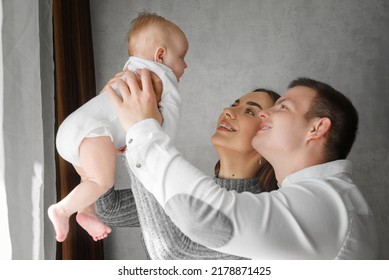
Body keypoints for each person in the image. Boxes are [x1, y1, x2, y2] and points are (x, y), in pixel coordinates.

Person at [107, 70, 378, 259]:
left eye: (282, 107)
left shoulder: (326, 205)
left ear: (316, 128)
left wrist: (142, 130)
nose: (263, 114)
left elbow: (192, 236)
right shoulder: (321, 198)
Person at [48, 12, 189, 242]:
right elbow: (166, 132)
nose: (186, 64)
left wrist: (122, 139)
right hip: (92, 133)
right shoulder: (164, 79)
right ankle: (62, 210)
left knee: (90, 181)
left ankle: (86, 211)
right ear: (160, 55)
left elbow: (116, 117)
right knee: (101, 181)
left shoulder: (129, 69)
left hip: (73, 128)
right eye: (182, 56)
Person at [95, 88, 280, 259]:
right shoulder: (192, 190)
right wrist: (104, 132)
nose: (228, 110)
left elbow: (174, 256)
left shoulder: (259, 213)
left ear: (269, 142)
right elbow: (109, 210)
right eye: (234, 104)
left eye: (249, 111)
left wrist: (140, 135)